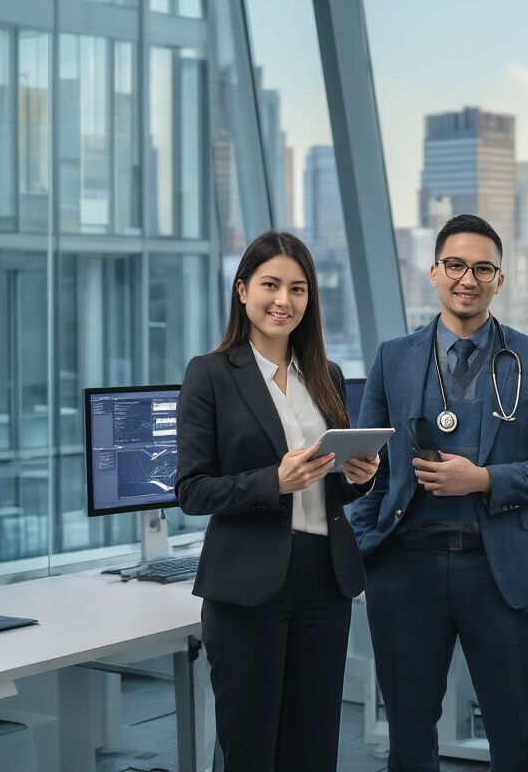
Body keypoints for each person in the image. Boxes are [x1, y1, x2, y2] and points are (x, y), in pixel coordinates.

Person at [350, 214, 528, 772]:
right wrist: (364, 545)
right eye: (455, 265)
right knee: (408, 738)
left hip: (498, 567)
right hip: (406, 569)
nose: (468, 278)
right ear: (434, 272)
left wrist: (484, 480)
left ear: (499, 281)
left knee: (512, 737)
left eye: (483, 269)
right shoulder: (393, 358)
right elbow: (372, 471)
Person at [175, 230, 379, 770]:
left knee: (313, 747)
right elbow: (191, 490)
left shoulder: (326, 376)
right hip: (249, 583)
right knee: (251, 748)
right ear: (242, 290)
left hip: (325, 580)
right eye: (270, 285)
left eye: (297, 288)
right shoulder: (210, 374)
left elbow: (332, 484)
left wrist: (358, 476)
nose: (283, 300)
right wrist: (274, 482)